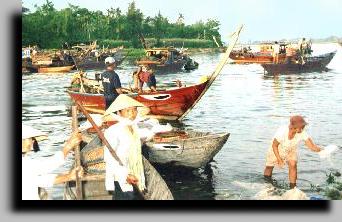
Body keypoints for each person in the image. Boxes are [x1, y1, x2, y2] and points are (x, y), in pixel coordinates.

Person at [102, 94, 148, 200]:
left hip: (135, 173)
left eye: (134, 110)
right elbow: (109, 158)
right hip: (121, 175)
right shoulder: (113, 130)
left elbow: (134, 145)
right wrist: (125, 175)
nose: (132, 114)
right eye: (127, 111)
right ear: (119, 113)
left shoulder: (134, 127)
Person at [22, 125, 83, 200]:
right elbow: (45, 167)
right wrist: (68, 146)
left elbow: (35, 178)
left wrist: (66, 176)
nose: (32, 142)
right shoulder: (25, 163)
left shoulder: (26, 161)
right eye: (30, 139)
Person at [263, 115, 322, 189]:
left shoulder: (302, 132)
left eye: (303, 126)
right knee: (269, 167)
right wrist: (279, 159)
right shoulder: (282, 132)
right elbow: (274, 145)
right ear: (294, 126)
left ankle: (293, 188)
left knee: (293, 164)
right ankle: (267, 183)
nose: (303, 127)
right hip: (277, 148)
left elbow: (312, 146)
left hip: (291, 149)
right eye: (302, 126)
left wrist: (322, 150)